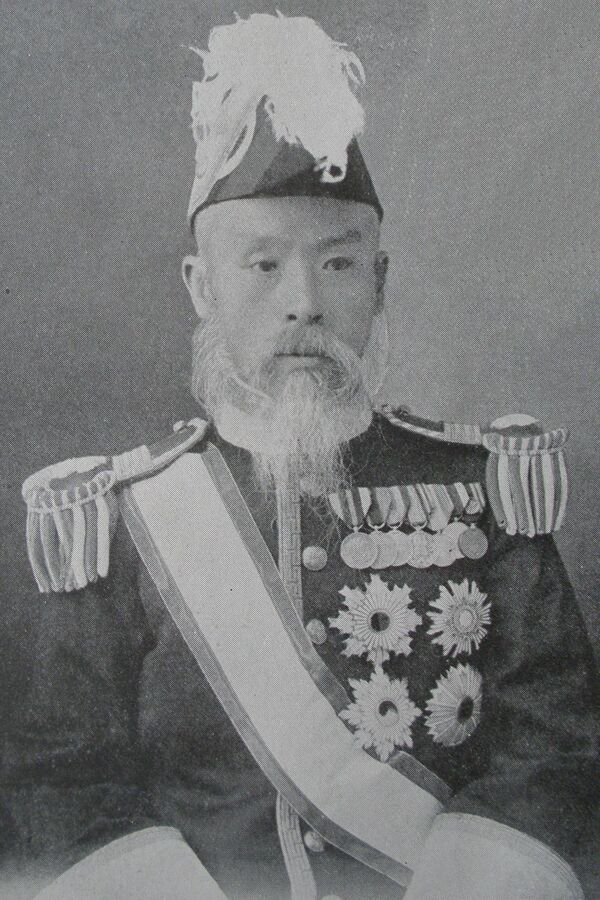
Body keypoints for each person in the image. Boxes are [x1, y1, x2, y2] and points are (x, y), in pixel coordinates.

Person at [2, 12, 598, 900]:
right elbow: (64, 784)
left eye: (339, 265)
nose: (305, 303)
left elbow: (553, 751)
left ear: (380, 282)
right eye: (263, 266)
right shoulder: (119, 522)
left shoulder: (483, 492)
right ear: (201, 288)